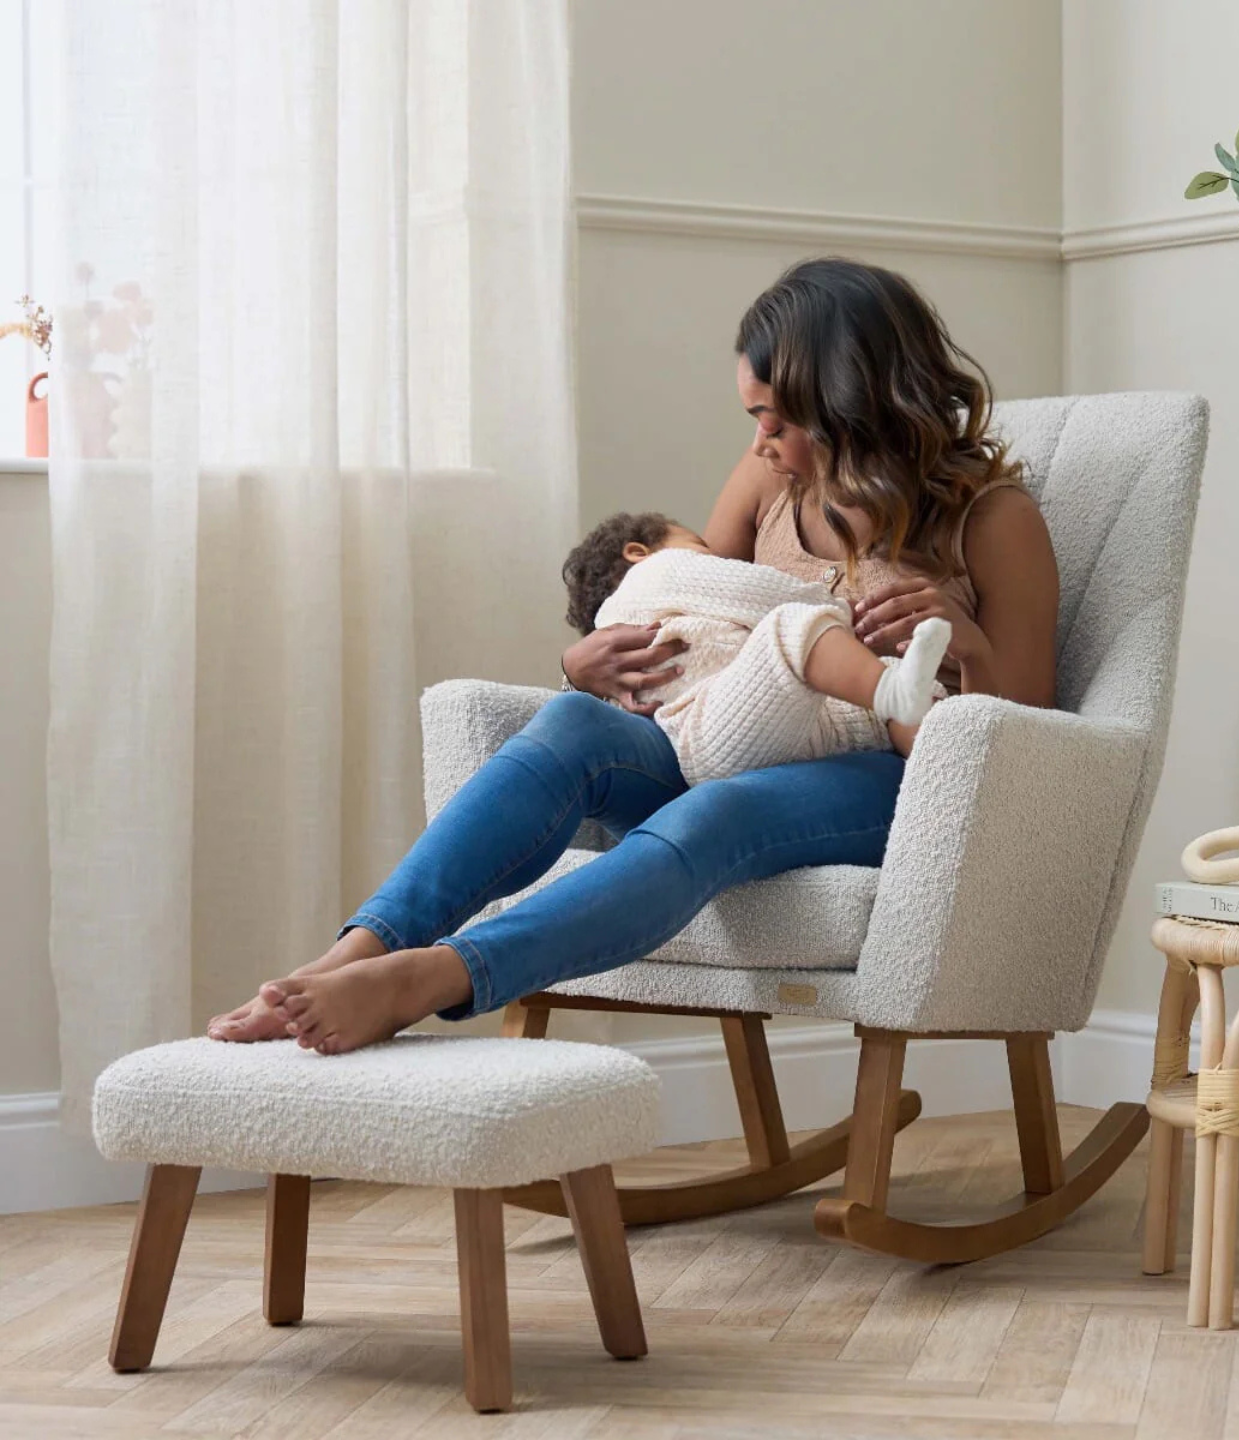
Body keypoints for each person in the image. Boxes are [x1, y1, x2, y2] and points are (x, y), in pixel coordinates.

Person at [207, 256, 1060, 1056]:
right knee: (574, 722)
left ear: (855, 406)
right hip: (734, 733)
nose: (761, 441)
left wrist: (969, 641)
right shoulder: (770, 483)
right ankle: (357, 952)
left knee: (717, 812)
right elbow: (690, 604)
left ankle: (439, 976)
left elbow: (1023, 743)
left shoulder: (991, 519)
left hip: (883, 779)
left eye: (780, 419)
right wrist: (584, 666)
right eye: (753, 416)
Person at [564, 511, 952, 785]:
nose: (715, 558)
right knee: (791, 626)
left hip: (772, 729)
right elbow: (763, 593)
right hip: (706, 732)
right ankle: (899, 698)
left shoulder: (616, 664)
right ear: (637, 552)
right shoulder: (651, 574)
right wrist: (837, 609)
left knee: (899, 699)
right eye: (700, 546)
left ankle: (945, 767)